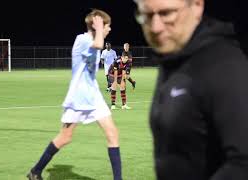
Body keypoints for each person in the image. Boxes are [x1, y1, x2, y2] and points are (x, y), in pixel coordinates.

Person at [134, 0, 248, 179]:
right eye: (146, 15)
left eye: (167, 14)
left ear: (197, 6)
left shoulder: (224, 64)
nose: (155, 27)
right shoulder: (174, 60)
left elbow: (243, 162)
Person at [26, 9, 123, 180]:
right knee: (65, 137)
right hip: (78, 97)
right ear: (97, 26)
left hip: (94, 96)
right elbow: (99, 44)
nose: (109, 29)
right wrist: (99, 27)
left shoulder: (94, 39)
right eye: (107, 26)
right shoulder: (83, 39)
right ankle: (35, 171)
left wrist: (99, 29)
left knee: (112, 133)